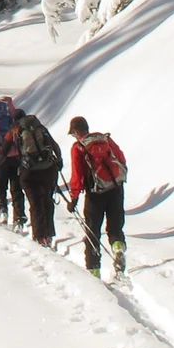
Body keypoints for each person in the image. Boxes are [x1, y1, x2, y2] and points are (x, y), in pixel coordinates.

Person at [65, 114, 128, 277]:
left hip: (95, 194)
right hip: (115, 188)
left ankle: (94, 271)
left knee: (93, 232)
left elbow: (77, 175)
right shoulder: (105, 139)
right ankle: (118, 248)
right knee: (115, 227)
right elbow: (121, 158)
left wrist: (74, 197)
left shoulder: (78, 147)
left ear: (75, 131)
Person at [14, 108, 61, 246]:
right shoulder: (40, 128)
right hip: (48, 169)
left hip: (29, 173)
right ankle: (49, 234)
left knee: (35, 204)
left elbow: (6, 151)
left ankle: (40, 236)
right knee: (47, 201)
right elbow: (54, 146)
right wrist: (58, 162)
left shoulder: (17, 132)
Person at [0, 96, 25, 229]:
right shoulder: (13, 118)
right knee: (16, 188)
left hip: (0, 158)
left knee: (0, 186)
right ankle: (19, 216)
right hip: (16, 158)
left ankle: (2, 209)